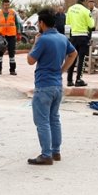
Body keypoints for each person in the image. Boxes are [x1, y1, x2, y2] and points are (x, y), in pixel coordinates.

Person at [26, 9, 78, 165]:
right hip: (57, 84)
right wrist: (62, 70)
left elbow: (30, 60)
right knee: (54, 119)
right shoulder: (62, 38)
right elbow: (73, 53)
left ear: (42, 23)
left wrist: (35, 43)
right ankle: (56, 152)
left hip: (44, 85)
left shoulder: (43, 40)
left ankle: (46, 155)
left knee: (42, 121)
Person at [65, 0, 93, 87]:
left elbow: (67, 24)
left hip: (73, 37)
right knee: (81, 59)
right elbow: (91, 25)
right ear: (85, 0)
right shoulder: (86, 11)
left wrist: (68, 37)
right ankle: (78, 79)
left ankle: (69, 80)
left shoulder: (70, 9)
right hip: (83, 37)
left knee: (72, 57)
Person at [0, 0, 21, 76]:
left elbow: (17, 23)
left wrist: (18, 34)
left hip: (11, 36)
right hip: (2, 36)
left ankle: (12, 70)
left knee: (11, 53)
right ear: (2, 5)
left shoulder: (13, 13)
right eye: (5, 5)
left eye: (8, 5)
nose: (7, 6)